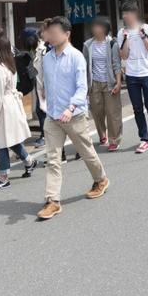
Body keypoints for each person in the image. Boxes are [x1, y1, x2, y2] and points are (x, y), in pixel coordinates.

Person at [36, 17, 109, 220]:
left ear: (66, 34)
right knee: (53, 159)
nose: (50, 36)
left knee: (86, 152)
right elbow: (44, 83)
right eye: (48, 32)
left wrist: (70, 107)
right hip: (52, 117)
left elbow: (82, 87)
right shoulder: (47, 57)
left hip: (74, 115)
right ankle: (52, 201)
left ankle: (101, 179)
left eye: (54, 32)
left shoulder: (76, 56)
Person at [0, 37, 37, 191]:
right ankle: (29, 161)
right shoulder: (10, 65)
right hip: (12, 105)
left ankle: (3, 177)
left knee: (2, 143)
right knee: (11, 140)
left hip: (3, 108)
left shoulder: (0, 69)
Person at [117, 3, 148, 153]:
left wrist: (142, 36)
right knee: (137, 108)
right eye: (123, 13)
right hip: (131, 74)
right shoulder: (121, 32)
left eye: (127, 13)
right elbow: (123, 55)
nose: (124, 16)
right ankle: (144, 138)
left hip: (147, 72)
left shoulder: (146, 28)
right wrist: (126, 39)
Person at [83, 16, 123, 151]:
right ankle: (102, 134)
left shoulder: (112, 44)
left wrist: (118, 82)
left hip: (110, 82)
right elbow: (85, 66)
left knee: (113, 112)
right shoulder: (87, 45)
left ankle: (114, 140)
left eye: (97, 26)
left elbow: (117, 64)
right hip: (94, 83)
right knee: (97, 111)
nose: (94, 28)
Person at [17, 28, 46, 147]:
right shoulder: (33, 51)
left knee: (42, 111)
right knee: (40, 111)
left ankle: (45, 137)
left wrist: (45, 87)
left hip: (45, 87)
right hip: (39, 87)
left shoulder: (43, 51)